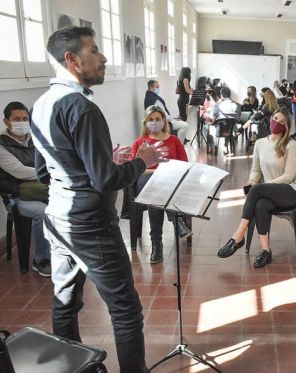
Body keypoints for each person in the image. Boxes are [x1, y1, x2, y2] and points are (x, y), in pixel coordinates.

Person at [31, 26, 164, 372]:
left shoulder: (42, 104)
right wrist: (141, 162)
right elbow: (105, 182)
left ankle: (71, 366)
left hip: (58, 219)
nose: (104, 58)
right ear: (72, 60)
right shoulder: (82, 109)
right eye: (95, 51)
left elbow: (45, 173)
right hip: (91, 226)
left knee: (65, 302)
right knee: (125, 309)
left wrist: (100, 166)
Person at [216, 107, 296, 268]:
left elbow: (289, 176)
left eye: (282, 121)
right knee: (260, 204)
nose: (277, 122)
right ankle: (266, 250)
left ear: (286, 126)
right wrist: (252, 181)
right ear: (271, 118)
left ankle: (238, 236)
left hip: (291, 190)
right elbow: (256, 170)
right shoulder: (260, 143)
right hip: (270, 192)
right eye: (276, 118)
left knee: (257, 190)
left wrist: (261, 186)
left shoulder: (290, 145)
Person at [130, 105, 189, 264]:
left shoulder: (174, 141)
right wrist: (155, 171)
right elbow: (133, 170)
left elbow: (184, 164)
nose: (154, 122)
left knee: (156, 193)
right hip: (144, 181)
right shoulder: (140, 143)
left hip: (169, 182)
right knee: (154, 186)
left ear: (164, 121)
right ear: (146, 122)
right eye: (151, 119)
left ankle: (157, 243)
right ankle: (176, 220)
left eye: (158, 119)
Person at [0, 102, 51, 276]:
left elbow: (49, 159)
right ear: (7, 122)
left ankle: (66, 252)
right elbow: (19, 171)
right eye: (17, 119)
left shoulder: (33, 139)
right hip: (16, 196)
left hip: (41, 190)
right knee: (43, 212)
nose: (22, 122)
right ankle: (42, 260)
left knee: (72, 201)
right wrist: (50, 172)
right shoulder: (1, 145)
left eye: (25, 119)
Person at [144, 79, 189, 144]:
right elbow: (164, 115)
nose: (158, 89)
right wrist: (174, 119)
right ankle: (179, 145)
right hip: (163, 122)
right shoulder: (156, 100)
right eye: (157, 87)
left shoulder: (148, 97)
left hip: (155, 122)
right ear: (151, 88)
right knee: (185, 125)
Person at [211, 86, 241, 154]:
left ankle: (213, 146)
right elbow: (238, 119)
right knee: (228, 124)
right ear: (230, 94)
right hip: (232, 130)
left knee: (215, 125)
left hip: (220, 131)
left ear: (221, 95)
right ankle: (225, 146)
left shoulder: (218, 105)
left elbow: (213, 117)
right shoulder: (238, 105)